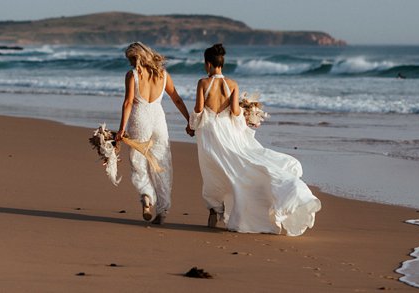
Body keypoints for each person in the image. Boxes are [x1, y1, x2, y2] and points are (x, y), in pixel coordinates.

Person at [191, 43, 321, 235]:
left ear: (208, 63)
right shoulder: (232, 84)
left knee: (213, 170)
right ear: (222, 63)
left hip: (210, 132)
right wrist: (245, 114)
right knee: (238, 165)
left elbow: (199, 109)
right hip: (228, 131)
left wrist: (191, 125)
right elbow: (235, 111)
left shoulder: (203, 83)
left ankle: (214, 209)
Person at [116, 42, 191, 224]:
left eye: (131, 59)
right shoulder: (163, 74)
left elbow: (128, 103)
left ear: (137, 57)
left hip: (139, 118)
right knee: (161, 163)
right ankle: (163, 209)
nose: (131, 63)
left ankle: (147, 196)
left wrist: (121, 129)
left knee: (138, 161)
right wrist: (190, 121)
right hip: (158, 120)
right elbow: (177, 99)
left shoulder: (132, 75)